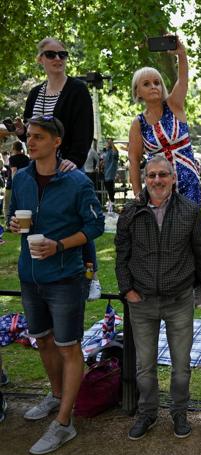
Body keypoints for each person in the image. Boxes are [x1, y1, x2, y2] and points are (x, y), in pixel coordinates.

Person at [8, 115, 104, 455]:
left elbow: (95, 227)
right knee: (43, 340)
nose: (29, 142)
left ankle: (64, 423)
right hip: (29, 275)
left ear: (56, 142)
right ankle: (57, 395)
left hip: (65, 277)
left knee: (68, 346)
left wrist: (60, 245)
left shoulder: (76, 181)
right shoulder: (20, 178)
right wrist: (13, 225)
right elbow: (12, 216)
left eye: (37, 137)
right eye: (29, 137)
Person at [115, 155, 201, 441]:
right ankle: (147, 412)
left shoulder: (190, 210)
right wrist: (127, 290)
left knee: (181, 367)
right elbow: (121, 256)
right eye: (151, 176)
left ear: (173, 178)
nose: (157, 180)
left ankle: (179, 412)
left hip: (179, 300)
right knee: (144, 368)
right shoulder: (131, 212)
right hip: (142, 301)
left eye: (163, 175)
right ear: (145, 179)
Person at [13, 37, 101, 302]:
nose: (58, 59)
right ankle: (39, 271)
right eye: (51, 55)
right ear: (40, 59)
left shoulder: (76, 90)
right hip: (40, 166)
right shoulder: (35, 94)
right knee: (40, 217)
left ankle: (91, 274)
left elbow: (85, 131)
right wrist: (20, 133)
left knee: (81, 219)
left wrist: (73, 159)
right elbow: (32, 133)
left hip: (67, 164)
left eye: (62, 54)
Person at [127, 37, 201, 207]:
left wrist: (181, 55)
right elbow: (134, 160)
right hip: (158, 188)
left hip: (188, 184)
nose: (154, 86)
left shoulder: (174, 105)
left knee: (188, 230)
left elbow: (182, 80)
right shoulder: (138, 123)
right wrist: (138, 195)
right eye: (146, 84)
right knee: (161, 231)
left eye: (157, 82)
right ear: (138, 92)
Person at [4, 141, 30, 220]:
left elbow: (14, 171)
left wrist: (15, 185)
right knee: (21, 204)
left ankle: (8, 223)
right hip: (25, 184)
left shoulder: (12, 158)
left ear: (13, 148)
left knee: (7, 205)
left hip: (12, 185)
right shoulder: (26, 158)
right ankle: (21, 220)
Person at [102, 138, 119, 204]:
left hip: (110, 172)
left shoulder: (113, 151)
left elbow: (116, 153)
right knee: (107, 186)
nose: (105, 145)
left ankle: (112, 201)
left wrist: (112, 144)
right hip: (106, 172)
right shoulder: (106, 152)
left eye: (106, 143)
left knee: (110, 187)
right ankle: (111, 201)